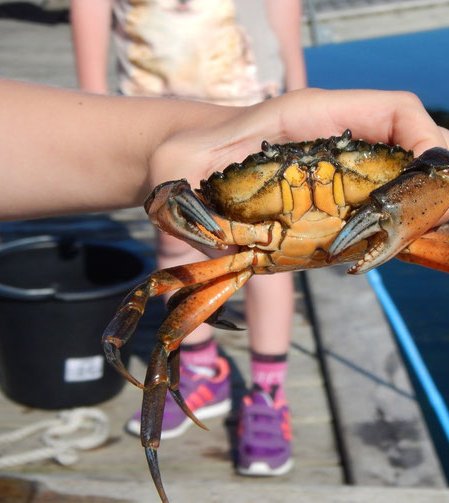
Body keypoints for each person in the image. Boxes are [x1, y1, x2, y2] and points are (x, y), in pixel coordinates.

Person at [0, 79, 449, 474]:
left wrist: (410, 200)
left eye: (346, 160)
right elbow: (167, 197)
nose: (311, 180)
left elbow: (441, 170)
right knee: (160, 318)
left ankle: (267, 390)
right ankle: (167, 419)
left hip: (361, 210)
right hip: (248, 245)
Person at [69, 0, 307, 475]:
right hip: (151, 100)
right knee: (176, 243)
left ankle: (268, 392)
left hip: (247, 95)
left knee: (268, 252)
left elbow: (284, 9)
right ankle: (200, 369)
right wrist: (94, 103)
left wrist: (298, 90)